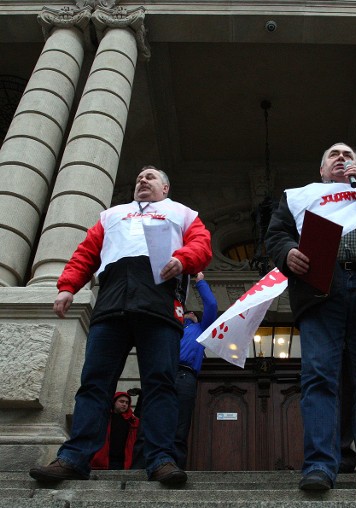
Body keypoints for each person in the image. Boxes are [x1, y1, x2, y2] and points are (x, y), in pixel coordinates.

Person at [29, 166, 212, 485]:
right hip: (112, 302)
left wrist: (183, 259)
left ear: (165, 188)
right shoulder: (111, 215)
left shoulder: (181, 213)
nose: (142, 179)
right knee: (94, 383)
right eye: (139, 176)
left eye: (151, 177)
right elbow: (86, 253)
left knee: (160, 384)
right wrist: (67, 286)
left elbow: (202, 244)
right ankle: (74, 457)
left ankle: (160, 459)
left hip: (159, 303)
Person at [265, 142, 356, 490]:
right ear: (321, 169)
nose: (342, 159)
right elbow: (276, 235)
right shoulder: (300, 196)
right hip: (321, 290)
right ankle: (319, 465)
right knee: (319, 376)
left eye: (349, 156)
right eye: (334, 155)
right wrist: (288, 253)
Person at [175, 271, 218, 469]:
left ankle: (175, 465)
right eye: (187, 311)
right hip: (163, 374)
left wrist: (200, 282)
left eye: (192, 312)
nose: (189, 312)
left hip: (185, 375)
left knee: (180, 424)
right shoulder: (172, 326)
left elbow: (211, 305)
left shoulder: (201, 329)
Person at [90, 392, 139, 470]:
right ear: (114, 402)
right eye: (121, 401)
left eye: (127, 402)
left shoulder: (132, 421)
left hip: (123, 462)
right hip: (103, 460)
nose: (124, 404)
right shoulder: (104, 418)